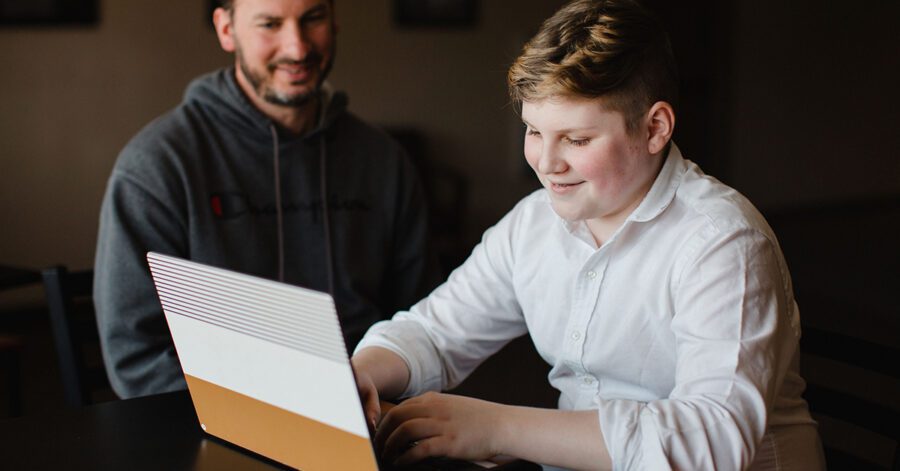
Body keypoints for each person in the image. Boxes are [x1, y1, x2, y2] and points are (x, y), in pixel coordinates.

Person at [351, 0, 825, 469]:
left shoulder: (723, 242)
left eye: (576, 140)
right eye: (533, 131)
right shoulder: (533, 223)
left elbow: (711, 443)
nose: (544, 162)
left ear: (655, 128)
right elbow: (434, 331)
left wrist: (496, 429)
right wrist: (359, 374)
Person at [94, 0, 437, 399]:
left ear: (334, 20)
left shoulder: (382, 160)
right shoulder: (157, 167)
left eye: (313, 19)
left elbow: (424, 320)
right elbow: (138, 357)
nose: (297, 48)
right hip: (221, 424)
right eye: (270, 24)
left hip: (375, 406)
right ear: (226, 30)